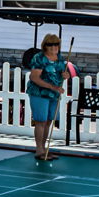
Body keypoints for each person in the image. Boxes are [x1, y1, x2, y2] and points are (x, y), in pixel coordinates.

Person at [25, 34, 74, 162]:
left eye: (56, 44)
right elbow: (34, 77)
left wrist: (65, 75)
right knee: (40, 121)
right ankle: (39, 149)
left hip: (54, 94)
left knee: (48, 121)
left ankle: (44, 148)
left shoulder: (60, 58)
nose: (53, 47)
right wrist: (52, 87)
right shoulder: (39, 58)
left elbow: (61, 73)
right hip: (39, 93)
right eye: (50, 44)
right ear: (45, 46)